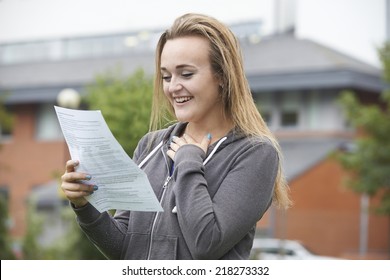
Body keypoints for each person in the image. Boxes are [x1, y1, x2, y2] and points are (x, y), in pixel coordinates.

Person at [60, 13, 291, 260]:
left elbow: (207, 243)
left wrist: (189, 162)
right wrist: (85, 206)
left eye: (186, 74)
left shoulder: (256, 153)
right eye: (166, 76)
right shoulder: (150, 145)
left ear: (222, 76)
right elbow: (125, 249)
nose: (172, 87)